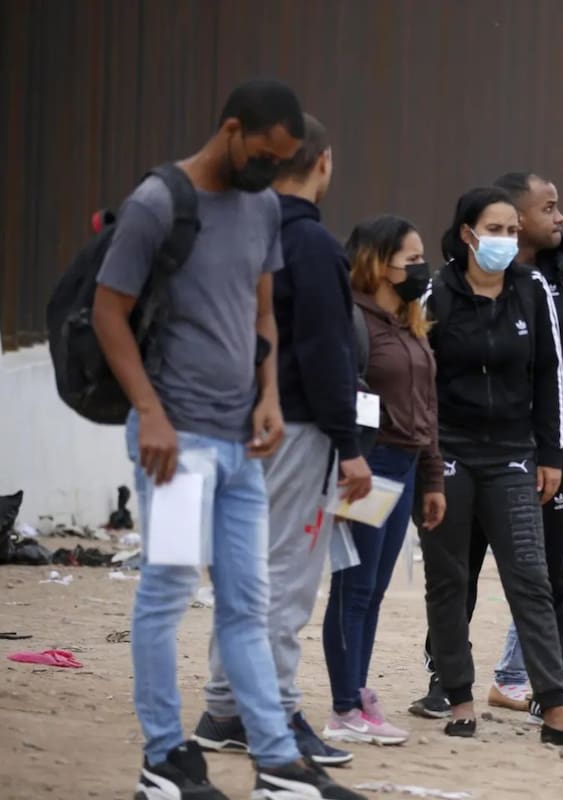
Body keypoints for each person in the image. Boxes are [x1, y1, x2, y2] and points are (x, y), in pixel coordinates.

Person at [93, 79, 364, 800]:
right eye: (263, 157)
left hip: (243, 446)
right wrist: (149, 411)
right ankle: (163, 760)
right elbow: (108, 314)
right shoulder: (159, 203)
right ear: (233, 129)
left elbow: (261, 310)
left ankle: (276, 764)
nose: (267, 173)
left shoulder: (262, 207)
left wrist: (269, 395)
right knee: (169, 591)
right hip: (176, 445)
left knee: (248, 600)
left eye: (282, 163)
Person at [193, 113, 367, 768]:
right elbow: (325, 351)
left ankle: (224, 707)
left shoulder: (238, 228)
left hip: (234, 420)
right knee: (285, 577)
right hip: (296, 427)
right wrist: (348, 444)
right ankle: (278, 711)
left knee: (246, 571)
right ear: (322, 163)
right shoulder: (312, 245)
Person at [417, 186, 563, 748]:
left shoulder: (533, 291)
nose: (504, 239)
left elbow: (552, 374)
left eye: (510, 229)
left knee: (531, 576)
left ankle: (554, 707)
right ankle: (458, 697)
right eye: (493, 229)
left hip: (513, 458)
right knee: (449, 579)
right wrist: (427, 460)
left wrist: (550, 455)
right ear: (466, 235)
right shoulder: (437, 293)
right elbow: (420, 381)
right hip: (449, 453)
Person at [488, 172, 563, 724]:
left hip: (551, 451)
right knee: (462, 571)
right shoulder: (471, 279)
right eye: (550, 209)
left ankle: (547, 688)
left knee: (554, 575)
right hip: (478, 449)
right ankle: (447, 682)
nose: (561, 219)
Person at [319, 215, 444, 745]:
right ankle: (344, 706)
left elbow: (427, 406)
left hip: (407, 469)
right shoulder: (351, 322)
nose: (421, 269)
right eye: (410, 260)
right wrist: (353, 458)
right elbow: (340, 396)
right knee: (353, 587)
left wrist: (433, 477)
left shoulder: (410, 323)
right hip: (368, 468)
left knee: (372, 591)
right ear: (377, 262)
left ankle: (359, 693)